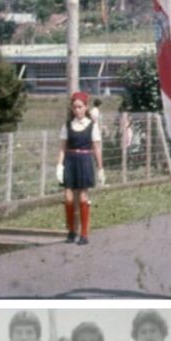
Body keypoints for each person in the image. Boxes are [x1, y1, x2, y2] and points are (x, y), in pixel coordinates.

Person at [56, 90, 97, 245]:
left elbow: (97, 148)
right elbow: (62, 148)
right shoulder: (67, 126)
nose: (77, 110)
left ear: (85, 107)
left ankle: (84, 234)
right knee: (68, 198)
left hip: (84, 160)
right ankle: (71, 231)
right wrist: (59, 165)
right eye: (75, 107)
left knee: (83, 197)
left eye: (80, 107)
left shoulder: (91, 126)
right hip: (70, 161)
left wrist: (100, 168)